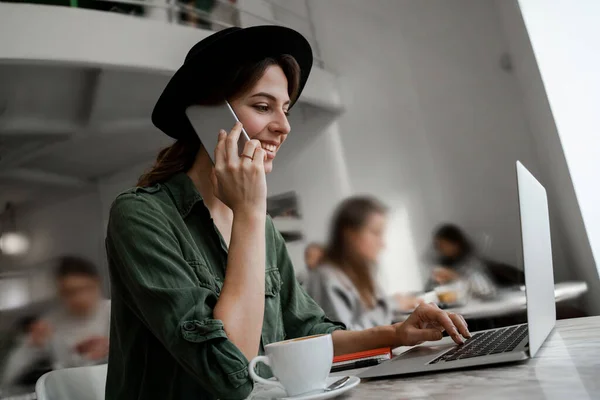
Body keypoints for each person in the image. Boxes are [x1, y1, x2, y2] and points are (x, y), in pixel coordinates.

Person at [105, 26, 470, 400]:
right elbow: (231, 374)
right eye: (263, 107)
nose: (284, 126)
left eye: (285, 109)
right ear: (206, 116)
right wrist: (248, 211)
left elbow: (303, 332)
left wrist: (396, 334)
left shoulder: (260, 226)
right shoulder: (141, 215)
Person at [307, 197, 422, 330]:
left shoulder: (360, 271)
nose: (382, 244)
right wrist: (392, 304)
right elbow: (345, 337)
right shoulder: (327, 277)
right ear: (350, 235)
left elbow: (374, 314)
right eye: (376, 233)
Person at [1, 256, 110, 386]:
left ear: (97, 283)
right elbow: (10, 376)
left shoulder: (116, 313)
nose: (79, 298)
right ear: (60, 292)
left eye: (85, 288)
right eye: (70, 292)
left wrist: (111, 349)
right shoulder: (49, 323)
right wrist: (34, 345)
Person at [427, 224, 523, 298]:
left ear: (455, 244)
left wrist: (455, 277)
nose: (439, 249)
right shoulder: (443, 264)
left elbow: (484, 289)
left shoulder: (472, 262)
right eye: (438, 246)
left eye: (442, 245)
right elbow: (431, 289)